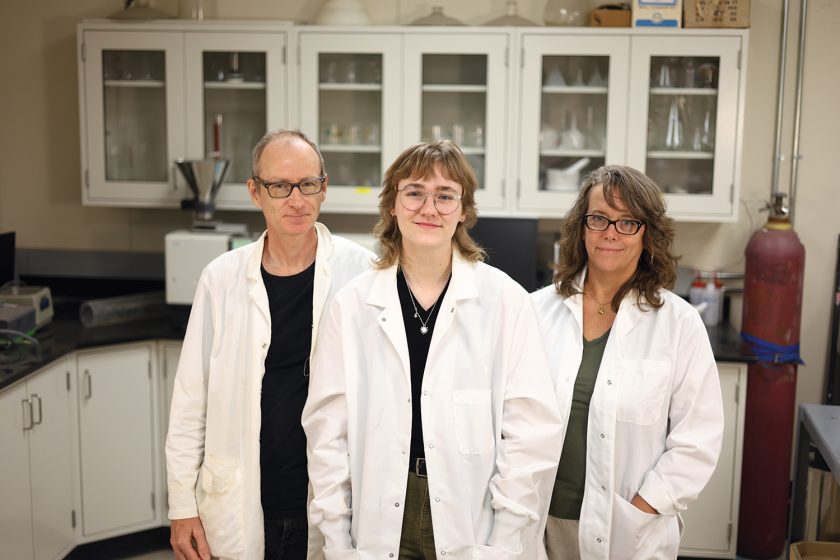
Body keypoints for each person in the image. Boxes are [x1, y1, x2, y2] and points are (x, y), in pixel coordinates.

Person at [301, 140, 563, 560]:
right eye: (414, 193)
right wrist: (336, 536)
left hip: (474, 512)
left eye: (445, 196)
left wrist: (505, 534)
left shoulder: (505, 301)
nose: (429, 208)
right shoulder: (351, 305)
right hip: (379, 508)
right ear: (392, 205)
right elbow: (327, 433)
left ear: (463, 210)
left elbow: (530, 432)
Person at [166, 129, 375, 560]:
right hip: (242, 499)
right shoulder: (221, 279)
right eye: (280, 186)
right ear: (255, 192)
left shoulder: (364, 274)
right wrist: (182, 506)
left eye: (308, 184)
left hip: (334, 498)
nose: (296, 200)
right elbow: (190, 400)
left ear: (324, 188)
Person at [531, 165, 724, 560]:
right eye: (599, 218)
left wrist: (645, 507)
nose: (610, 233)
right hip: (539, 520)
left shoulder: (678, 324)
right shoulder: (535, 311)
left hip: (626, 527)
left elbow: (698, 438)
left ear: (648, 234)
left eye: (628, 222)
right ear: (582, 227)